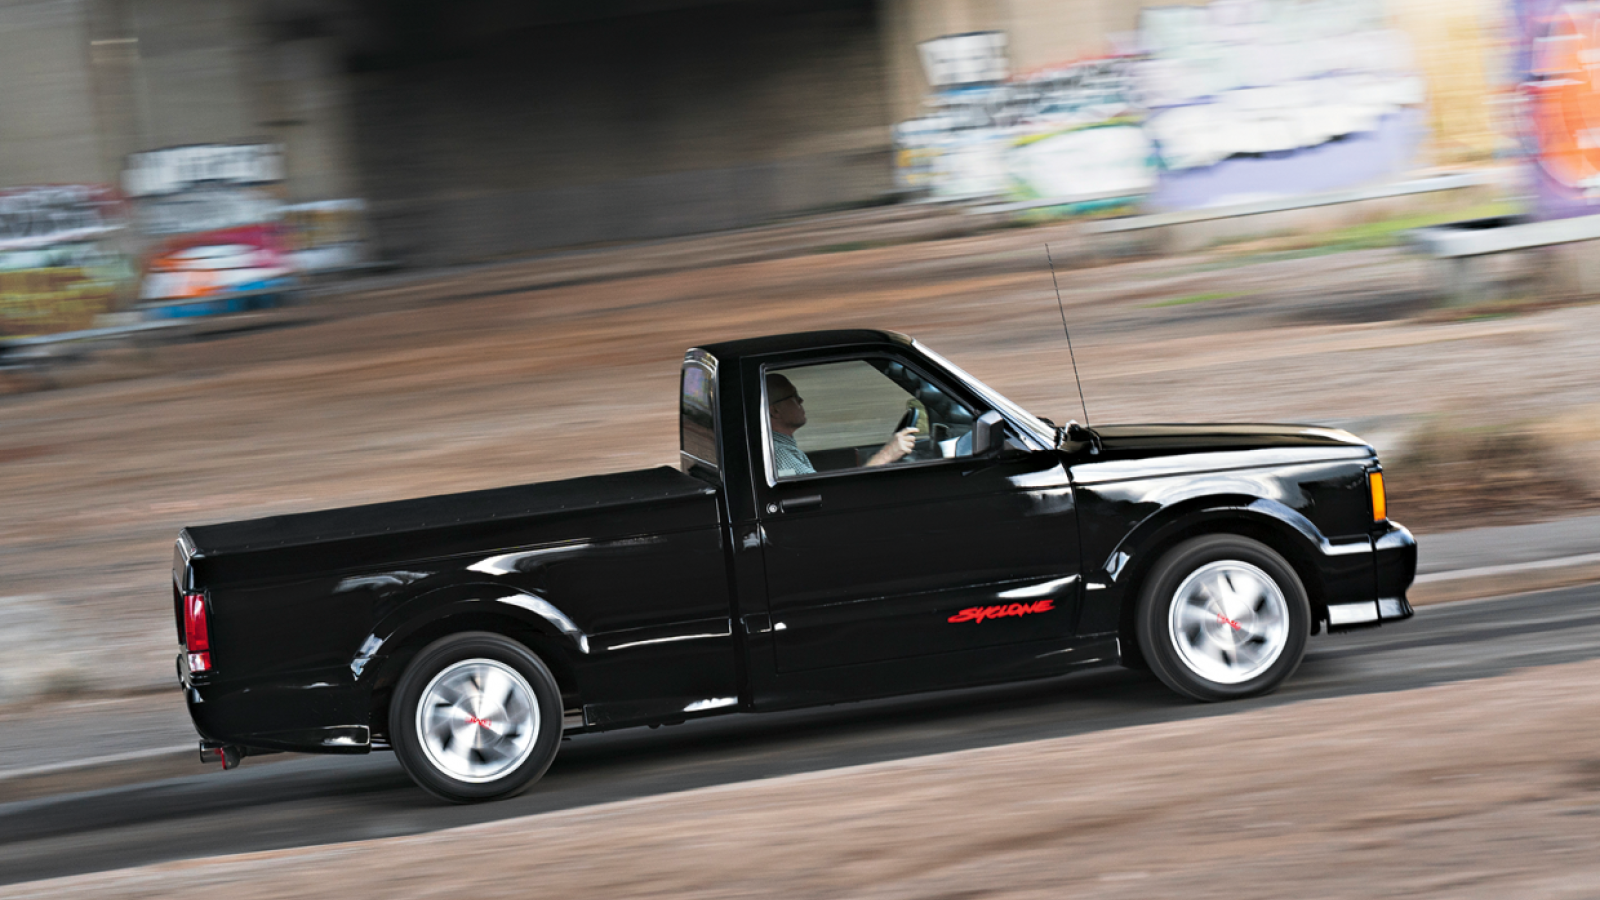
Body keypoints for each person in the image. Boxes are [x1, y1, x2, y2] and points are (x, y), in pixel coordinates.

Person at [767, 373, 918, 478]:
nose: (801, 400)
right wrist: (887, 455)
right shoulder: (780, 454)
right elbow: (825, 496)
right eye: (793, 396)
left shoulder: (783, 449)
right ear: (775, 411)